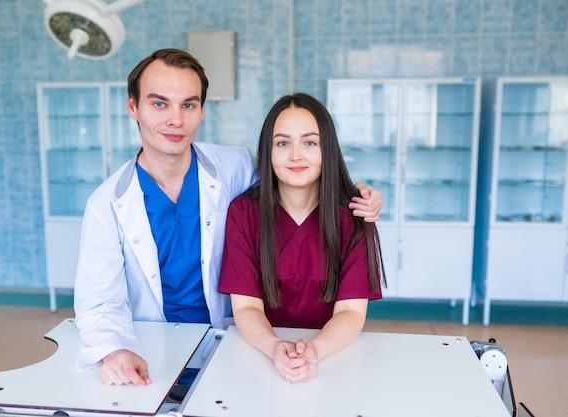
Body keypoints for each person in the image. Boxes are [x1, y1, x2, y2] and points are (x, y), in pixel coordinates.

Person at [73, 48, 383, 386]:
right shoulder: (106, 203)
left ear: (202, 111)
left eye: (188, 105)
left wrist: (357, 192)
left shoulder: (234, 166)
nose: (175, 119)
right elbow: (98, 301)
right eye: (159, 103)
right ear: (133, 107)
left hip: (233, 341)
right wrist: (113, 349)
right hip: (157, 343)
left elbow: (296, 175)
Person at [218, 93, 387, 384]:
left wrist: (314, 351)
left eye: (309, 142)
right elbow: (246, 307)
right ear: (268, 151)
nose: (296, 155)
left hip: (332, 356)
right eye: (283, 143)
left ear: (328, 150)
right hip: (259, 354)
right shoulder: (243, 213)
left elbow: (350, 312)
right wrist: (275, 348)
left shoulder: (355, 218)